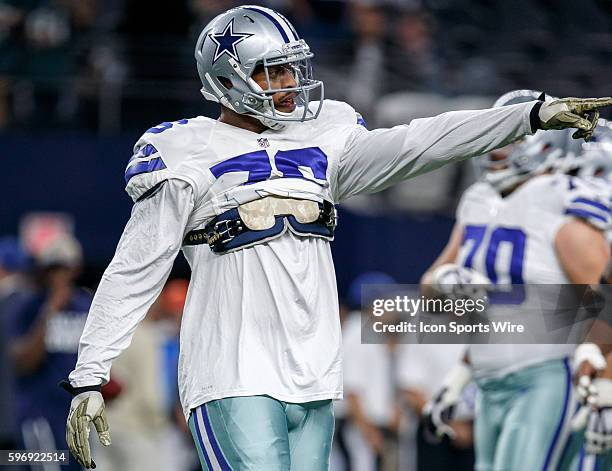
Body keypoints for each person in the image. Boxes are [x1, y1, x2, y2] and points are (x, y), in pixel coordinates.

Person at [60, 7, 612, 470]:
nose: (289, 85)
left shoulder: (327, 137)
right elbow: (134, 271)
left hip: (314, 375)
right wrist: (89, 374)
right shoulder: (184, 153)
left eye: (292, 70)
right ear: (227, 80)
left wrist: (528, 117)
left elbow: (425, 139)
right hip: (232, 372)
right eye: (272, 73)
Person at [420, 89, 612, 471]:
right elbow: (439, 292)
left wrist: (606, 385)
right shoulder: (479, 198)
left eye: (509, 136)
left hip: (545, 374)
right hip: (491, 380)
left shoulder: (561, 200)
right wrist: (461, 372)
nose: (495, 147)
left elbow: (603, 305)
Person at [5, 233, 89, 471]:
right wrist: (50, 311)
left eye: (64, 267)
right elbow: (22, 363)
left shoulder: (86, 306)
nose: (58, 275)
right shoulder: (26, 306)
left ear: (76, 268)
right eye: (53, 268)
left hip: (75, 417)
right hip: (38, 415)